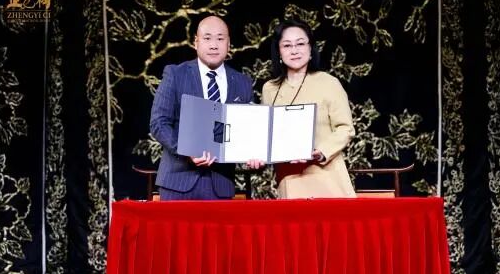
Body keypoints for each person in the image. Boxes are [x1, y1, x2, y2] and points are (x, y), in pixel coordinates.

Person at [150, 15, 253, 200]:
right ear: (196, 42)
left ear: (229, 44)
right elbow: (159, 123)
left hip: (221, 186)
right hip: (177, 184)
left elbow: (246, 131)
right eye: (207, 38)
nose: (214, 45)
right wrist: (185, 150)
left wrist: (254, 154)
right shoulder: (175, 74)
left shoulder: (242, 82)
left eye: (220, 39)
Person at [255, 19, 356, 198]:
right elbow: (266, 133)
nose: (294, 50)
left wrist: (320, 152)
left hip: (327, 178)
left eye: (300, 43)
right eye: (287, 45)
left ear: (310, 49)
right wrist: (257, 154)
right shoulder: (269, 89)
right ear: (279, 51)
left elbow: (345, 128)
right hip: (289, 179)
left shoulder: (329, 83)